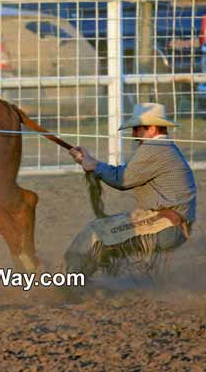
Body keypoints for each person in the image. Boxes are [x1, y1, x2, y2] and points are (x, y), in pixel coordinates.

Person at [65, 102, 197, 277]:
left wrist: (92, 164)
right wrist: (90, 161)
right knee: (102, 236)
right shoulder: (164, 147)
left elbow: (122, 179)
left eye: (136, 129)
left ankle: (71, 283)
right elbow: (125, 174)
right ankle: (81, 280)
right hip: (172, 225)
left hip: (165, 226)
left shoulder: (154, 148)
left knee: (95, 233)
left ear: (151, 129)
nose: (134, 135)